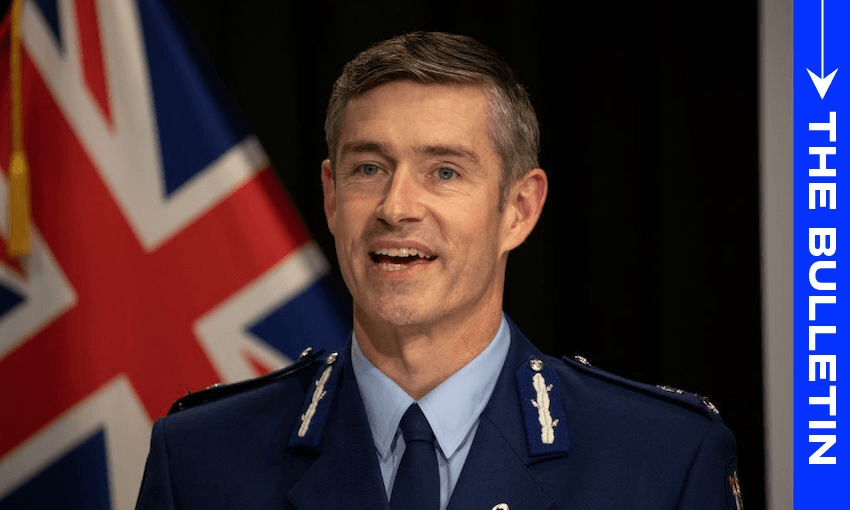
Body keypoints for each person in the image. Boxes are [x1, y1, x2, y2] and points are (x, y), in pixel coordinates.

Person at [136, 31, 743, 510]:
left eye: (444, 172)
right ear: (330, 195)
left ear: (519, 208)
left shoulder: (661, 457)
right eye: (369, 168)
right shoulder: (199, 458)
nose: (396, 207)